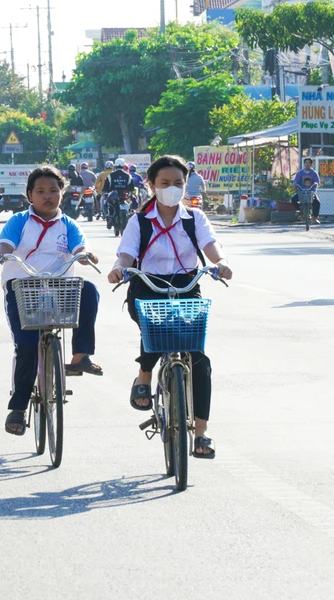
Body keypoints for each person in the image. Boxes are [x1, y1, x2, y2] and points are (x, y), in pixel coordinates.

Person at [108, 155, 233, 459]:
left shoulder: (194, 218)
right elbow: (126, 253)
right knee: (157, 324)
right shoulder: (139, 220)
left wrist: (220, 262)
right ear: (151, 185)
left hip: (186, 285)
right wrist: (119, 268)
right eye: (165, 183)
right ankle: (145, 374)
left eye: (178, 183)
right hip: (146, 285)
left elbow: (209, 243)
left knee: (200, 360)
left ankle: (201, 432)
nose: (172, 189)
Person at [0, 166, 102, 436]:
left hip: (60, 286)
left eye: (53, 190)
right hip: (22, 287)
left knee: (89, 289)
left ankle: (81, 355)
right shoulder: (19, 221)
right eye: (40, 191)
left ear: (62, 193)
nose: (47, 196)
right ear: (29, 195)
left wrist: (86, 254)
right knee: (26, 346)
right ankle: (18, 406)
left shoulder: (68, 224)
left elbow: (80, 247)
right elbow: (5, 245)